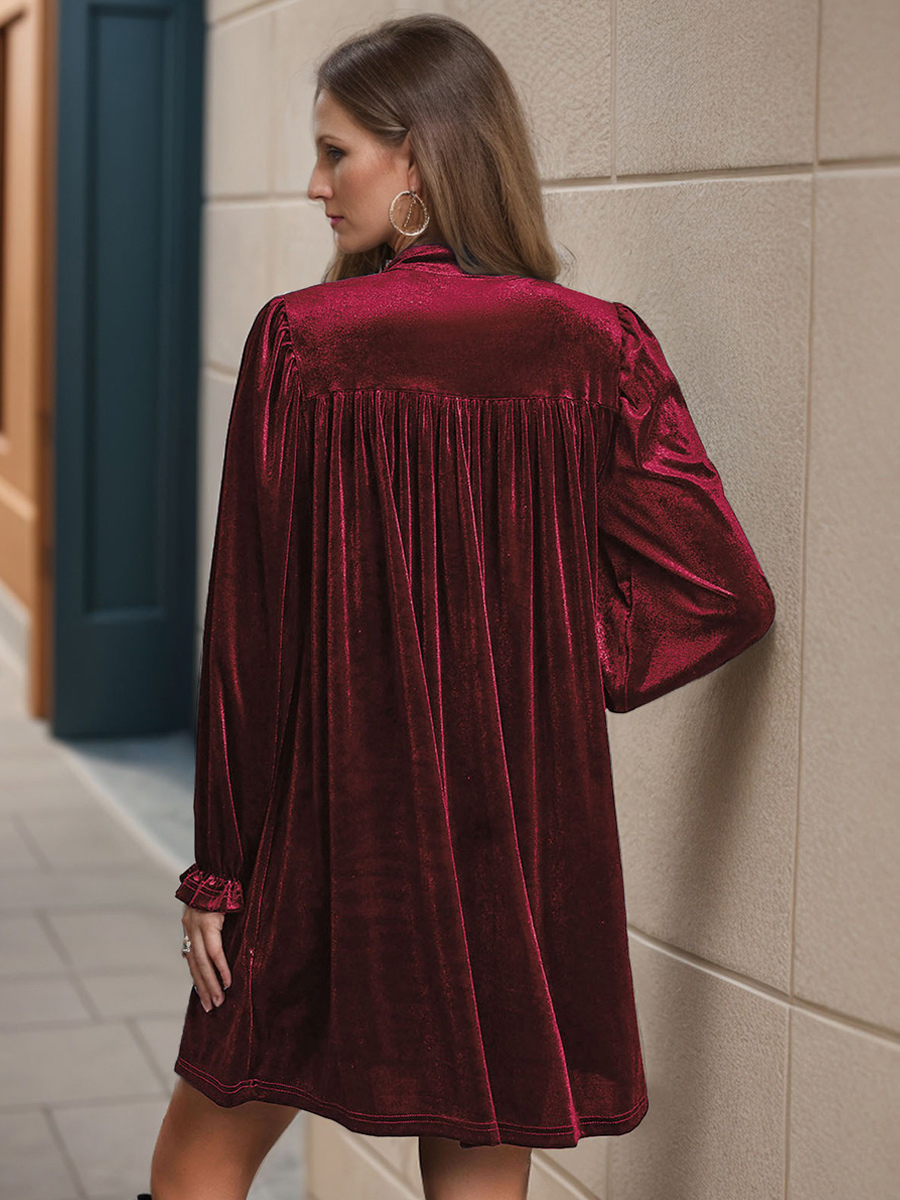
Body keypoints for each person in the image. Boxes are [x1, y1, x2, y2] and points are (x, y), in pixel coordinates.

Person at [145, 13, 776, 1200]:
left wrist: (221, 875)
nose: (315, 185)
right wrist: (552, 656)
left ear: (420, 155)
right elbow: (719, 592)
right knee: (480, 1167)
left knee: (201, 1157)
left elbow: (248, 640)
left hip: (329, 839)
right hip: (515, 851)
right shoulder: (601, 348)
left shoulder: (301, 345)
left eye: (336, 153)